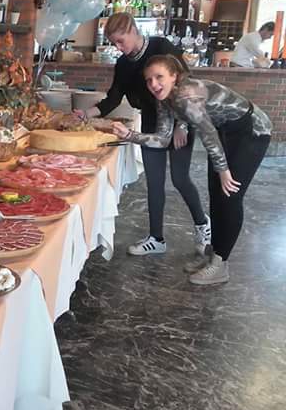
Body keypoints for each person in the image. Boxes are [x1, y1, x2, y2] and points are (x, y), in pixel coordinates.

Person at [112, 55, 272, 285]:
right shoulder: (165, 98)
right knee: (216, 194)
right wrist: (130, 135)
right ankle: (212, 255)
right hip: (226, 130)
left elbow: (208, 133)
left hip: (252, 130)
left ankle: (221, 264)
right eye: (149, 80)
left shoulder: (186, 95)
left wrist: (224, 170)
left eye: (159, 77)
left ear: (174, 76)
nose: (153, 84)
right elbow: (163, 139)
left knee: (229, 195)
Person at [74, 13, 210, 256]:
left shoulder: (162, 47)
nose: (118, 47)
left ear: (133, 30)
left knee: (180, 179)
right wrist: (86, 114)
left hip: (179, 118)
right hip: (150, 121)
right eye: (114, 43)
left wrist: (182, 125)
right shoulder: (123, 64)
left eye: (121, 41)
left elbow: (187, 84)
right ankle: (156, 238)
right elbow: (112, 99)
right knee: (154, 182)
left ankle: (203, 225)